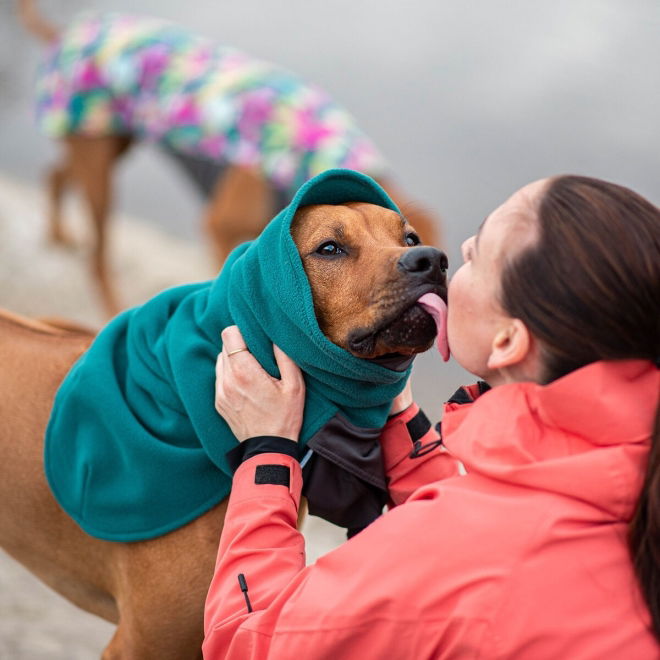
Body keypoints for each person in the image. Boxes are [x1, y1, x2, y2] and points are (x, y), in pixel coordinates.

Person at [203, 175, 659, 658]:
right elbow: (498, 507)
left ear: (507, 342)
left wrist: (269, 450)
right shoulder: (632, 468)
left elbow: (247, 641)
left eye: (476, 254)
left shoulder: (456, 550)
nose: (443, 252)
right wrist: (404, 421)